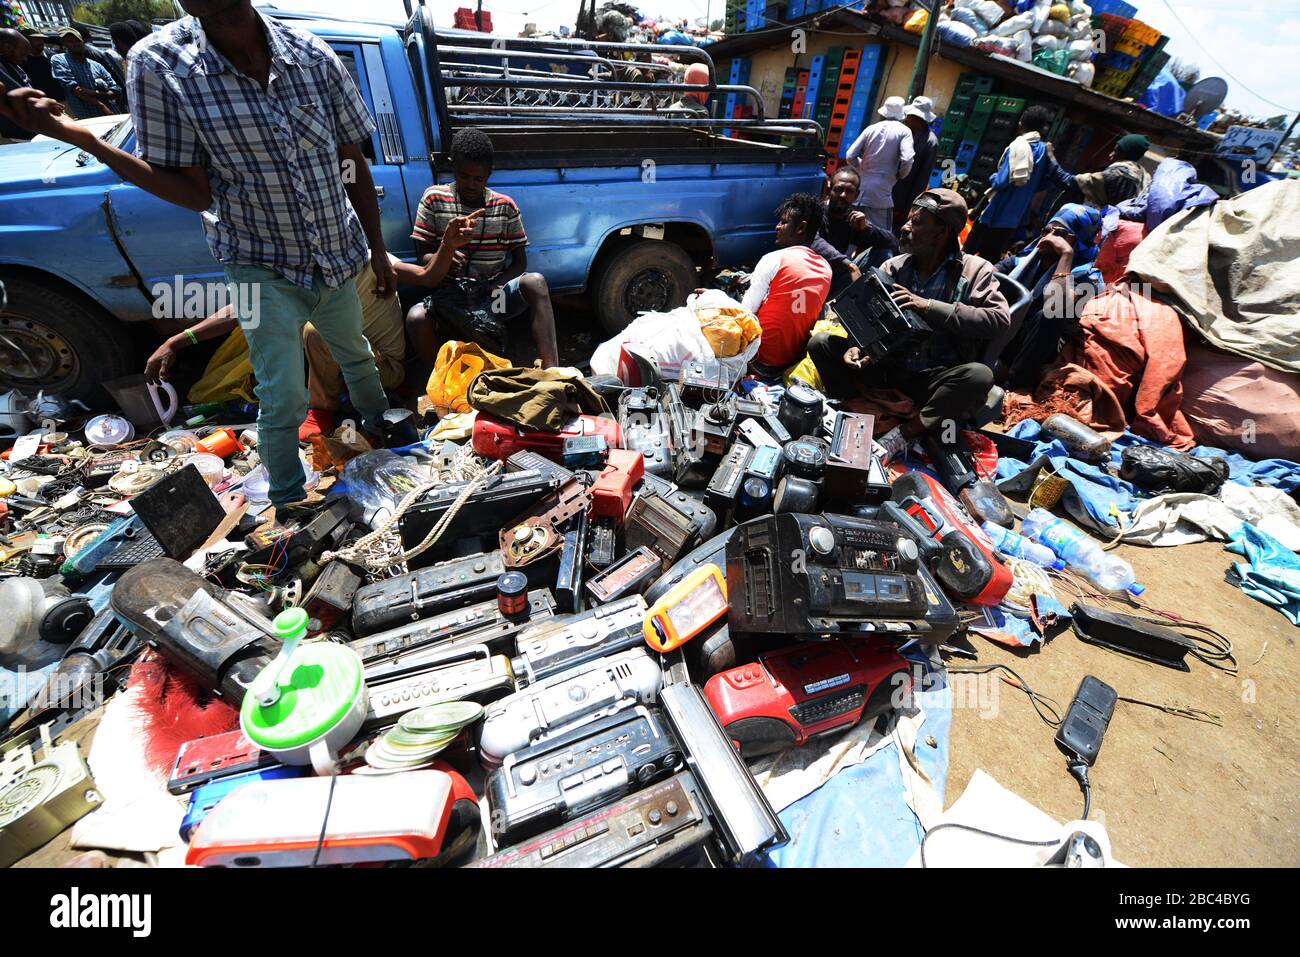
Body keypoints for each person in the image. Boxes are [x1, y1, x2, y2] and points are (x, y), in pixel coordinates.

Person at [12, 0, 396, 515]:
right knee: (280, 391)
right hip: (258, 262)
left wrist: (378, 250)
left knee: (356, 354)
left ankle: (385, 436)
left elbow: (352, 162)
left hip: (336, 251)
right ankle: (286, 500)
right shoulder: (158, 64)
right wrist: (89, 142)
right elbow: (195, 193)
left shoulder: (312, 54)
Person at [809, 188, 1010, 463]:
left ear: (942, 233)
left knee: (979, 376)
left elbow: (998, 320)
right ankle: (860, 409)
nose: (904, 228)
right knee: (821, 344)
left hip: (931, 379)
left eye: (916, 223)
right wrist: (857, 348)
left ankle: (904, 432)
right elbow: (867, 320)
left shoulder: (975, 270)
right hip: (887, 369)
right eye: (908, 220)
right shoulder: (894, 266)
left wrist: (927, 306)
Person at [144, 256, 406, 438]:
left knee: (315, 332)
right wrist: (177, 340)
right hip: (348, 361)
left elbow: (424, 276)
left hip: (386, 368)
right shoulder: (304, 269)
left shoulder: (362, 261)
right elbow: (242, 309)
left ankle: (326, 410)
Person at [404, 127, 561, 370]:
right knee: (416, 319)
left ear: (489, 174)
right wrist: (444, 255)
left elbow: (520, 263)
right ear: (452, 167)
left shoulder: (504, 206)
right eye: (464, 176)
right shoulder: (434, 198)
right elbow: (422, 257)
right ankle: (441, 381)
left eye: (479, 178)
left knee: (536, 281)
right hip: (450, 295)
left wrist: (497, 285)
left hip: (492, 296)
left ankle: (553, 371)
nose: (471, 184)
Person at [994, 203, 1104, 387]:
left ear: (1078, 241)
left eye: (1060, 234)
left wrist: (1066, 255)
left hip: (1041, 351)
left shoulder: (1088, 279)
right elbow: (989, 273)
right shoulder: (1025, 260)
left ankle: (1014, 386)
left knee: (1050, 314)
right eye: (1047, 230)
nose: (1049, 238)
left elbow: (1057, 305)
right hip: (1005, 332)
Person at [741, 191, 833, 376]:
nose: (777, 226)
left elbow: (745, 312)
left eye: (783, 222)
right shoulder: (826, 269)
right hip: (792, 363)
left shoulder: (774, 259)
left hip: (759, 360)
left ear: (800, 228)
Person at [964, 105, 1056, 261]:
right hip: (1014, 219)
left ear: (1021, 123)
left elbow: (1000, 182)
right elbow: (1045, 183)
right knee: (989, 260)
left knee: (967, 255)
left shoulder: (1017, 147)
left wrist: (993, 177)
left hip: (994, 214)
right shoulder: (1044, 151)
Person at [812, 166, 898, 297]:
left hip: (835, 280)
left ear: (856, 195)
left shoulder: (852, 219)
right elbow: (813, 240)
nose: (843, 195)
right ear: (829, 190)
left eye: (849, 191)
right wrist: (848, 264)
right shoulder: (815, 212)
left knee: (884, 252)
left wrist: (867, 229)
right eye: (838, 189)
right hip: (810, 276)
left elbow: (892, 241)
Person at [845, 95, 915, 232]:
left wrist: (862, 169)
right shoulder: (904, 131)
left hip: (860, 191)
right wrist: (899, 175)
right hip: (881, 196)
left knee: (850, 233)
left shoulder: (871, 128)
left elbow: (850, 155)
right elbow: (907, 159)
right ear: (902, 114)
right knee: (882, 238)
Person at [1048, 133, 1152, 208]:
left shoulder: (1117, 174)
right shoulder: (1142, 176)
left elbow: (1068, 182)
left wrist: (1050, 156)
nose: (1110, 155)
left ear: (1125, 154)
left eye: (1116, 151)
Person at [49, 28, 119, 119]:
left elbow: (115, 90)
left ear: (82, 41)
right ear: (64, 43)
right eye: (70, 41)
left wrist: (92, 92)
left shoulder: (96, 65)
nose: (75, 43)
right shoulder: (59, 60)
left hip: (112, 114)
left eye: (77, 40)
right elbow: (75, 89)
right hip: (89, 118)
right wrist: (102, 105)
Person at [892, 96, 939, 229]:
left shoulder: (930, 142)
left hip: (902, 199)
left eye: (910, 117)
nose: (907, 119)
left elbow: (922, 179)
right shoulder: (904, 132)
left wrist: (910, 207)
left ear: (920, 119)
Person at [0, 29, 33, 142]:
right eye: (23, 54)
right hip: (17, 136)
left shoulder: (12, 64)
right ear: (7, 47)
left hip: (31, 131)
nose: (25, 59)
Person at [17, 29, 64, 103]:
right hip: (42, 104)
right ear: (26, 41)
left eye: (42, 39)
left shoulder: (53, 56)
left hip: (63, 101)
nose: (41, 42)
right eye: (37, 39)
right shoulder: (21, 61)